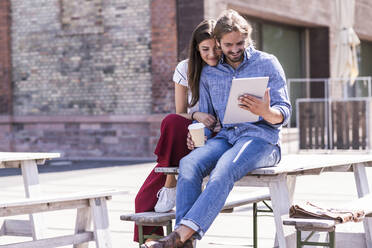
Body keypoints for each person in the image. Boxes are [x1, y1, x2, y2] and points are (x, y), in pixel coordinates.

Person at [141, 9, 291, 248]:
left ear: (247, 38)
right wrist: (198, 135)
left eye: (240, 43)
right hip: (226, 137)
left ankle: (179, 236)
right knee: (189, 163)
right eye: (228, 44)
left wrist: (266, 112)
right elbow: (209, 120)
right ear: (219, 43)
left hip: (261, 140)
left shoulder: (267, 63)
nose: (234, 49)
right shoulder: (210, 72)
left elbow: (284, 112)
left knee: (224, 169)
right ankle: (186, 242)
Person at [133, 19, 221, 243]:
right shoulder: (185, 68)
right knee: (143, 200)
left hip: (216, 139)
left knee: (152, 198)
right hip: (185, 139)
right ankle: (170, 180)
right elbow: (181, 112)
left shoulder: (226, 68)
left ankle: (173, 181)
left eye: (216, 48)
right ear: (196, 48)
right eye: (205, 49)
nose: (211, 54)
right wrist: (196, 115)